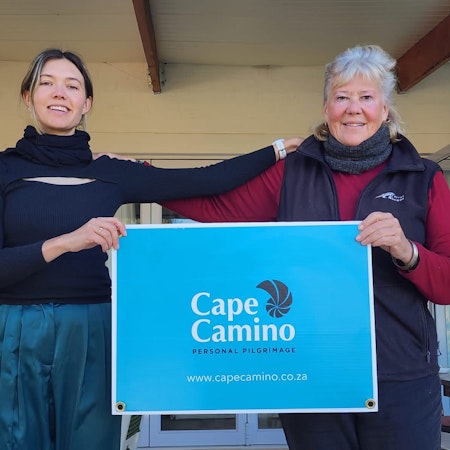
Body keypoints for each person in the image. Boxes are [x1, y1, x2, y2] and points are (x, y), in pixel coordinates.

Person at [0, 48, 302, 450]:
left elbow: (205, 181)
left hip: (92, 326)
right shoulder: (5, 169)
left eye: (72, 86)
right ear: (28, 96)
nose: (59, 93)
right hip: (16, 327)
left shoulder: (111, 172)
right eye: (47, 83)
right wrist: (66, 242)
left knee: (90, 441)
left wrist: (278, 149)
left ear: (86, 103)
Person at [162, 45, 450, 450]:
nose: (353, 109)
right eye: (342, 96)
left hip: (400, 374)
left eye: (366, 97)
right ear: (326, 107)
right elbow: (215, 207)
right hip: (311, 368)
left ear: (385, 110)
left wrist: (408, 252)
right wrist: (134, 177)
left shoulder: (422, 177)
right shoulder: (292, 172)